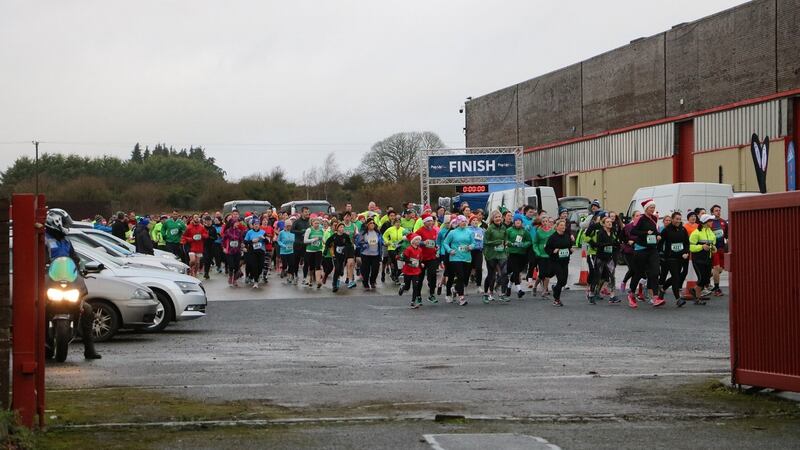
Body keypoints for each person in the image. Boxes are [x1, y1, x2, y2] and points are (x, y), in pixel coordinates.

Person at [44, 210, 101, 359]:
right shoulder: (43, 239)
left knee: (87, 310)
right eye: (64, 223)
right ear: (55, 222)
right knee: (37, 309)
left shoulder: (66, 241)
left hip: (68, 283)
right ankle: (44, 345)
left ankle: (89, 349)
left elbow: (74, 260)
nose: (66, 226)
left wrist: (82, 270)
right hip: (48, 283)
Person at [628, 199, 666, 309]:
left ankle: (655, 297)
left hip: (652, 249)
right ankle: (631, 295)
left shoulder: (653, 219)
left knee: (654, 273)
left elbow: (654, 231)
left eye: (654, 207)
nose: (653, 209)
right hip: (641, 249)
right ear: (646, 209)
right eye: (651, 208)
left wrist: (658, 235)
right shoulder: (641, 219)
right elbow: (633, 232)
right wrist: (645, 233)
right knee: (639, 273)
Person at [442, 215, 475, 306]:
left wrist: (471, 246)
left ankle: (455, 289)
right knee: (460, 276)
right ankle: (461, 298)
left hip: (467, 257)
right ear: (457, 222)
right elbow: (445, 243)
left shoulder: (469, 232)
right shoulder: (453, 232)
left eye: (465, 221)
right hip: (455, 258)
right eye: (461, 221)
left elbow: (473, 243)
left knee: (464, 278)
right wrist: (449, 250)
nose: (463, 223)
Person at [659, 211, 690, 306]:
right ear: (672, 219)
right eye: (676, 219)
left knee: (676, 276)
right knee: (676, 277)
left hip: (681, 257)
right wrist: (661, 255)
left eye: (680, 219)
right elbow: (660, 244)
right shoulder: (666, 230)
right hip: (670, 258)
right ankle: (678, 299)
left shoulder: (683, 229)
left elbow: (686, 243)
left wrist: (686, 252)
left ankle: (663, 289)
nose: (678, 221)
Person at [590, 216, 620, 304]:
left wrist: (617, 245)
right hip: (600, 257)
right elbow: (598, 244)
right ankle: (591, 294)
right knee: (597, 276)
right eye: (607, 222)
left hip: (609, 258)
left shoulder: (613, 232)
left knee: (612, 276)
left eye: (610, 222)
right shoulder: (600, 233)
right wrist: (610, 244)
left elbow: (616, 242)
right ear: (603, 224)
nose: (610, 223)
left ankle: (612, 296)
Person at [482, 210, 509, 303]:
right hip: (491, 254)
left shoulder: (504, 228)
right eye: (496, 217)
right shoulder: (490, 229)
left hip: (501, 254)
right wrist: (496, 242)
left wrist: (506, 242)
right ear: (493, 219)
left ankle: (502, 293)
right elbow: (485, 242)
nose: (498, 219)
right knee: (491, 275)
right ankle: (486, 293)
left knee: (504, 273)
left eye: (499, 217)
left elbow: (506, 238)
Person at [412, 215, 440, 303]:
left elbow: (435, 242)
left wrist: (436, 247)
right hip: (421, 258)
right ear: (424, 222)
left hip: (432, 257)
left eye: (431, 221)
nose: (430, 223)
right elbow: (413, 241)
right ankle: (418, 296)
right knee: (419, 277)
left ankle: (431, 294)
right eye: (428, 221)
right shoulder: (420, 231)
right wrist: (423, 243)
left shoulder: (434, 230)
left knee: (433, 275)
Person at [689, 214, 717, 303]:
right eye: (710, 221)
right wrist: (701, 247)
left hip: (708, 259)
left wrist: (713, 248)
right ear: (705, 222)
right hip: (698, 259)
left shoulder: (710, 232)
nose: (712, 222)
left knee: (706, 279)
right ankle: (697, 299)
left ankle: (694, 290)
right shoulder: (696, 232)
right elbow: (690, 247)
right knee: (702, 279)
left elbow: (713, 244)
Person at [544, 219, 572, 307]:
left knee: (564, 282)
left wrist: (570, 250)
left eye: (564, 225)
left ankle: (555, 288)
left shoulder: (567, 236)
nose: (563, 227)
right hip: (555, 261)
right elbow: (547, 248)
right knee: (560, 279)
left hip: (565, 261)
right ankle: (556, 299)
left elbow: (569, 245)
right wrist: (553, 251)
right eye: (561, 225)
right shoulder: (553, 237)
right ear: (557, 227)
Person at [505, 214, 533, 299]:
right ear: (514, 222)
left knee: (516, 271)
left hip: (522, 254)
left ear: (521, 222)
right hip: (513, 253)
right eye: (516, 220)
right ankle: (519, 290)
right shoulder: (509, 230)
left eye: (519, 221)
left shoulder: (524, 231)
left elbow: (529, 241)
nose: (518, 222)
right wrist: (511, 243)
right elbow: (506, 240)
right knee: (516, 271)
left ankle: (509, 287)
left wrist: (523, 244)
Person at [531, 215, 555, 298]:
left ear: (549, 222)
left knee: (548, 274)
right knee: (542, 274)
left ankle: (544, 291)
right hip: (541, 254)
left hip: (549, 254)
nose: (545, 223)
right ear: (541, 223)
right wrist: (537, 252)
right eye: (543, 221)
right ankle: (535, 286)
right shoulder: (539, 231)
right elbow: (535, 243)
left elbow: (555, 242)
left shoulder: (552, 231)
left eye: (546, 221)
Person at [357, 218, 383, 290]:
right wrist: (366, 244)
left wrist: (384, 243)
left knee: (375, 269)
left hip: (376, 254)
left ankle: (372, 281)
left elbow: (381, 240)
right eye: (370, 223)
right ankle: (365, 283)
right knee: (366, 270)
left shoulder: (378, 233)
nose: (372, 224)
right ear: (367, 225)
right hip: (365, 254)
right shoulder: (363, 233)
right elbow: (359, 242)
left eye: (373, 223)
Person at [399, 235, 424, 308]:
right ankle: (403, 286)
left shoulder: (420, 249)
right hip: (408, 270)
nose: (418, 241)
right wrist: (411, 261)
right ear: (412, 241)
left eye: (419, 240)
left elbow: (419, 259)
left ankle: (413, 301)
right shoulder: (409, 249)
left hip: (416, 271)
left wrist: (420, 263)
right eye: (416, 240)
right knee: (407, 287)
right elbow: (404, 258)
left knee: (415, 286)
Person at [709, 205, 728, 296]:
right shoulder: (710, 222)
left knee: (720, 270)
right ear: (712, 212)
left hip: (722, 248)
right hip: (713, 248)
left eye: (719, 210)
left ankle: (703, 280)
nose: (718, 212)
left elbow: (727, 236)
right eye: (716, 210)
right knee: (716, 268)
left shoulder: (724, 222)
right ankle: (717, 288)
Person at [244, 219, 267, 289]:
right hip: (252, 252)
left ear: (259, 225)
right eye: (255, 224)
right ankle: (256, 281)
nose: (256, 226)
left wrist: (264, 238)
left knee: (261, 266)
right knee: (254, 266)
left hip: (261, 251)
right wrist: (252, 241)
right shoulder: (249, 232)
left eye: (257, 224)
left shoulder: (263, 232)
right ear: (252, 225)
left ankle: (256, 276)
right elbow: (245, 241)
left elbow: (268, 241)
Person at [222, 218, 245, 287]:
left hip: (237, 251)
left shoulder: (239, 231)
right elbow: (223, 240)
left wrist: (242, 245)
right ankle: (230, 276)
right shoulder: (228, 231)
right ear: (232, 223)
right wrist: (224, 248)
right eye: (236, 222)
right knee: (231, 265)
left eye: (237, 222)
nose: (237, 224)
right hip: (230, 251)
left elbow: (241, 240)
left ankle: (235, 280)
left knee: (236, 266)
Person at [303, 217, 325, 289]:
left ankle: (318, 281)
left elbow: (323, 239)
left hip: (318, 250)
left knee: (318, 265)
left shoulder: (321, 230)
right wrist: (313, 239)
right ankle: (311, 279)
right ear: (312, 223)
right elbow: (305, 241)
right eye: (315, 223)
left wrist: (325, 242)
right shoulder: (309, 230)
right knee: (311, 267)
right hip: (310, 251)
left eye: (318, 223)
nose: (317, 224)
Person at [291, 207, 311, 282]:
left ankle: (304, 277)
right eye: (305, 212)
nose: (307, 213)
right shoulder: (297, 222)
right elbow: (292, 230)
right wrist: (301, 232)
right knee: (296, 261)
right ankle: (295, 275)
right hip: (297, 244)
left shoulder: (309, 222)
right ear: (302, 213)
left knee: (306, 261)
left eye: (308, 212)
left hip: (306, 244)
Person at [467, 215, 485, 294]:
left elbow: (483, 240)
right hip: (470, 251)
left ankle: (478, 286)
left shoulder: (481, 230)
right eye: (473, 220)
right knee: (468, 269)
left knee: (479, 268)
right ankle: (464, 286)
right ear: (470, 222)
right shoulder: (467, 229)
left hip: (478, 251)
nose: (475, 221)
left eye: (476, 220)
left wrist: (483, 247)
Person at [278, 218, 296, 284]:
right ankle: (283, 269)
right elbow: (278, 241)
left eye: (290, 226)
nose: (289, 227)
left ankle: (289, 277)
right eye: (288, 226)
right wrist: (283, 246)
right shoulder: (281, 233)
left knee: (291, 265)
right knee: (285, 264)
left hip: (291, 251)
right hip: (283, 251)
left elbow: (295, 241)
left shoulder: (293, 233)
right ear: (285, 226)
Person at [201, 215, 219, 279]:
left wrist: (209, 237)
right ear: (205, 221)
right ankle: (205, 271)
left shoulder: (213, 228)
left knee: (209, 259)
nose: (208, 222)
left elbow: (216, 237)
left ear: (211, 221)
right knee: (206, 258)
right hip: (205, 245)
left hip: (212, 245)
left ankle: (207, 272)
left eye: (209, 221)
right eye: (207, 221)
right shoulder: (203, 228)